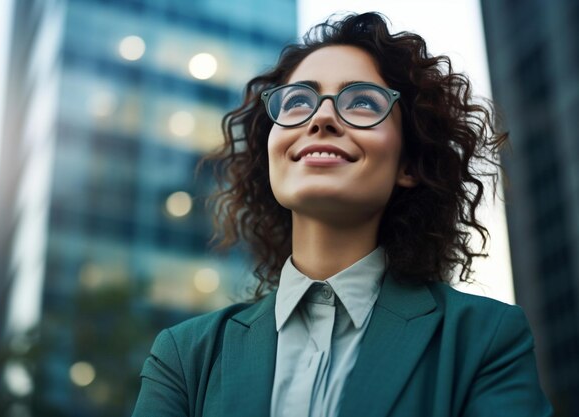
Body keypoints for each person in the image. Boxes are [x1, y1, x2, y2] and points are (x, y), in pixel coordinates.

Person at [132, 12, 553, 417]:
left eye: (364, 102)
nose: (323, 117)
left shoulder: (483, 339)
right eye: (298, 101)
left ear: (407, 164)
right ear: (273, 152)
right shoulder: (186, 356)